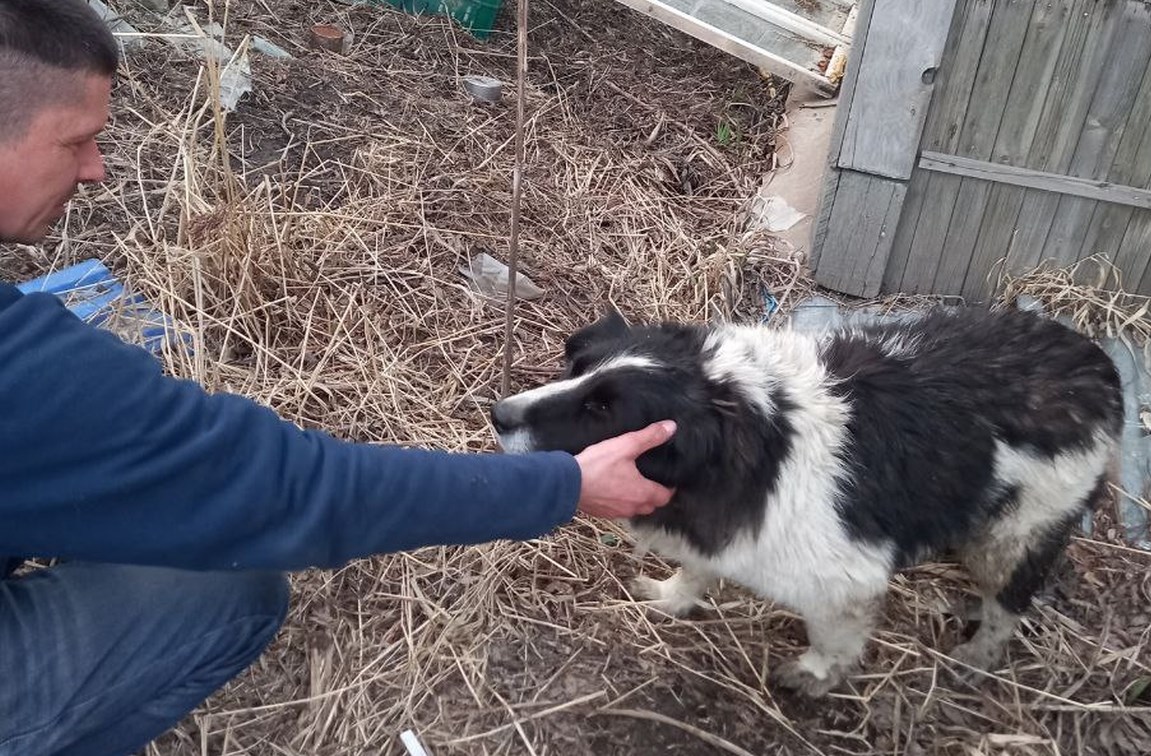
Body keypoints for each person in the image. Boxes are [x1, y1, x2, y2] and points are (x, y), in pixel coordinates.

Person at [0, 1, 677, 754]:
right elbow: (289, 490)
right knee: (231, 593)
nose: (97, 170)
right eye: (78, 142)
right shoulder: (21, 372)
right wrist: (564, 488)